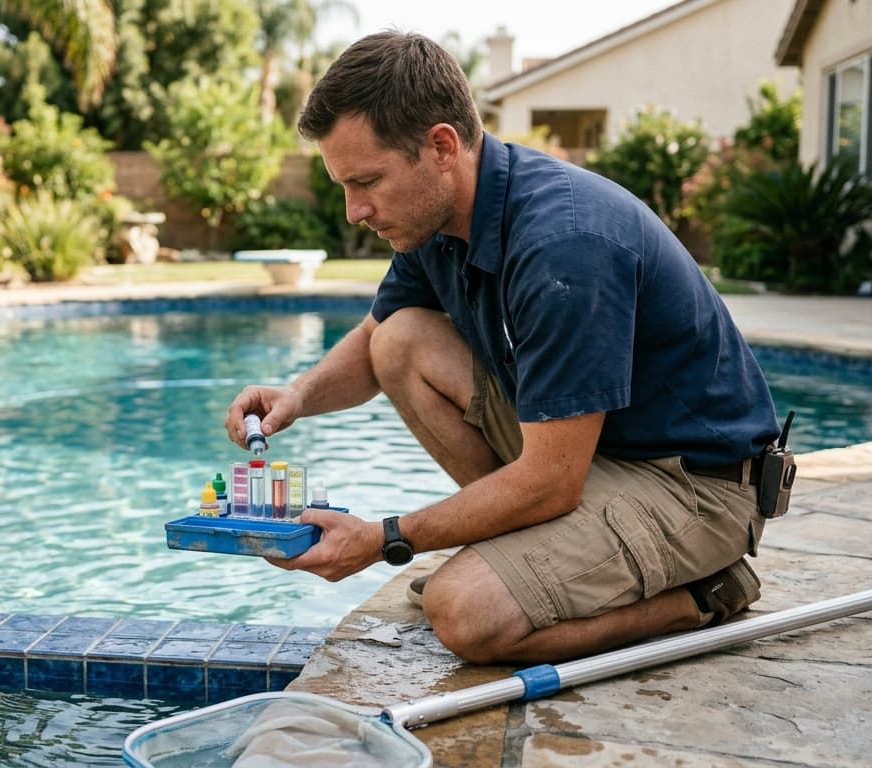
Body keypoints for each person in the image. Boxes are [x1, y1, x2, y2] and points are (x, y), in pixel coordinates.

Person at [223, 31, 782, 665]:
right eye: (344, 186)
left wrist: (385, 539)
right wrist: (297, 395)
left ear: (441, 146)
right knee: (403, 339)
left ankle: (704, 595)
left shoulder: (563, 246)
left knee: (464, 613)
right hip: (591, 457)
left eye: (368, 181)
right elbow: (380, 335)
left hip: (693, 486)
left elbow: (551, 481)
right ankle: (530, 562)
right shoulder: (435, 220)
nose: (354, 211)